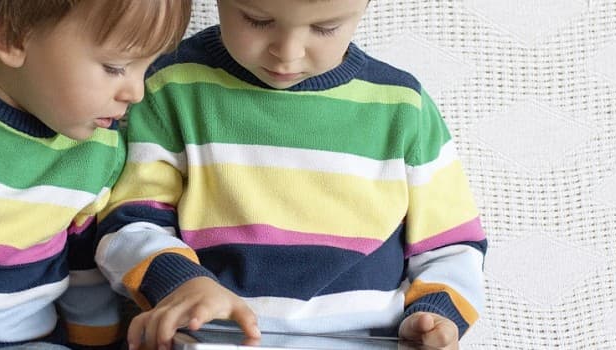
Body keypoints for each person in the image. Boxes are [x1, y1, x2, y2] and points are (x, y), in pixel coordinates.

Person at [95, 0, 488, 349]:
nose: (287, 53)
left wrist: (438, 315)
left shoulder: (404, 107)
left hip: (369, 339)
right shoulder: (172, 86)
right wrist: (180, 284)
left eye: (325, 28)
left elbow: (451, 247)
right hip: (218, 337)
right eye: (256, 19)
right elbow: (129, 224)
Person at [0, 0, 191, 348]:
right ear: (12, 38)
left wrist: (95, 340)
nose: (137, 92)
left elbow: (84, 273)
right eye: (115, 67)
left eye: (147, 67)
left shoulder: (98, 150)